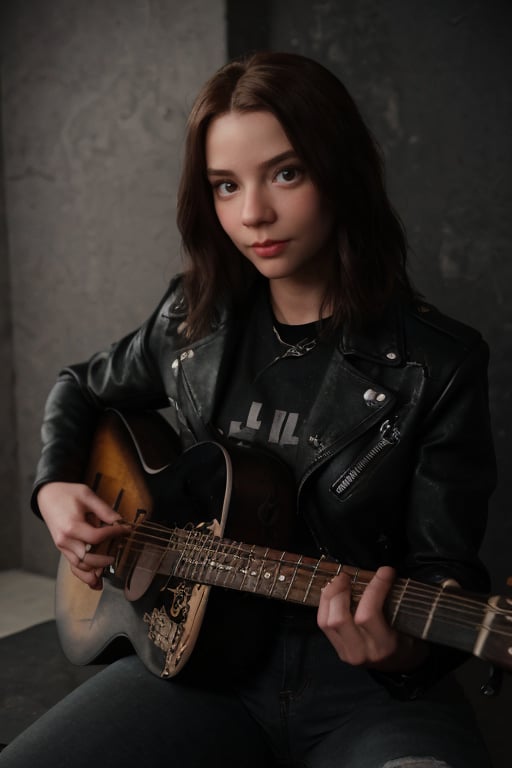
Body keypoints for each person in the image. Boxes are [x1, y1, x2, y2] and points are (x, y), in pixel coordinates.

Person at [0, 52, 496, 768]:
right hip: (200, 666)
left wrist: (401, 652)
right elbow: (78, 386)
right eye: (225, 186)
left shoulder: (438, 363)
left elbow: (447, 571)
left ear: (341, 170)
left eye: (285, 173)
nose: (252, 214)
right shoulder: (191, 321)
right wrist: (52, 490)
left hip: (366, 697)